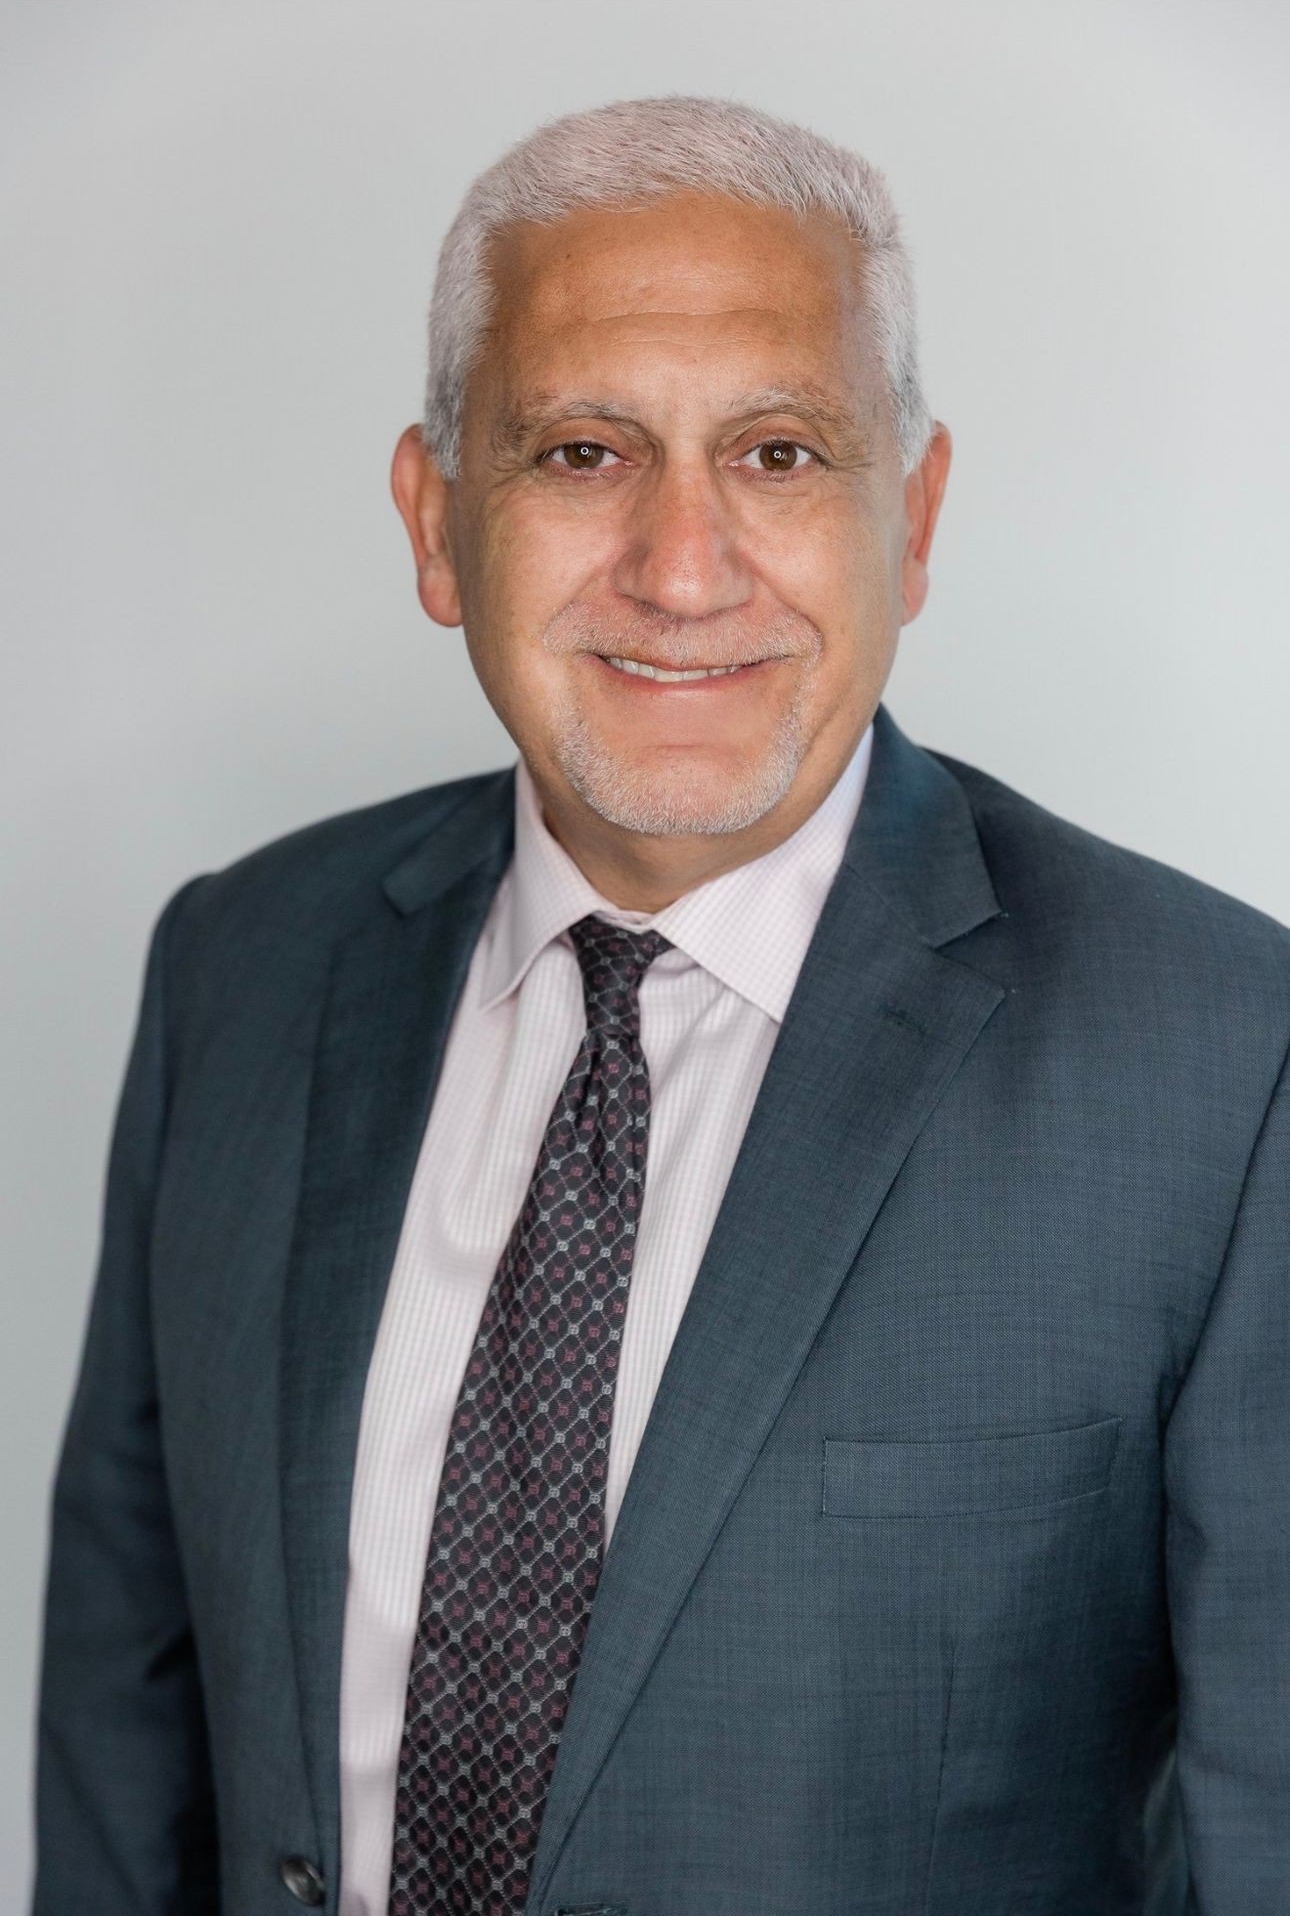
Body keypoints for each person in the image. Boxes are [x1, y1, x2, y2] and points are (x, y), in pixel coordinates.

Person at [32, 93, 1289, 1916]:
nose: (682, 568)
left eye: (779, 454)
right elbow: (121, 1731)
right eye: (578, 454)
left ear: (912, 519)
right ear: (435, 517)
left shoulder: (1220, 1058)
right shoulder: (239, 966)